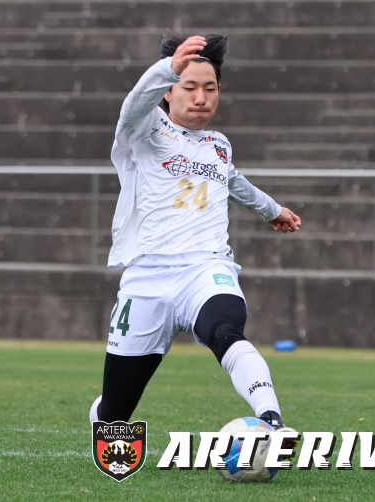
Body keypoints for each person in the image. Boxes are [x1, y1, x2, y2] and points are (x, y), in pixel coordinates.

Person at [89, 34, 302, 436]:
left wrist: (272, 210)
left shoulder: (219, 145)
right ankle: (104, 414)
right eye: (189, 86)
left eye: (210, 88)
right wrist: (166, 68)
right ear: (168, 92)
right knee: (114, 418)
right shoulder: (145, 128)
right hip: (147, 277)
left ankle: (273, 421)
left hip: (205, 269)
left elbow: (233, 182)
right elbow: (133, 104)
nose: (201, 97)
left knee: (226, 329)